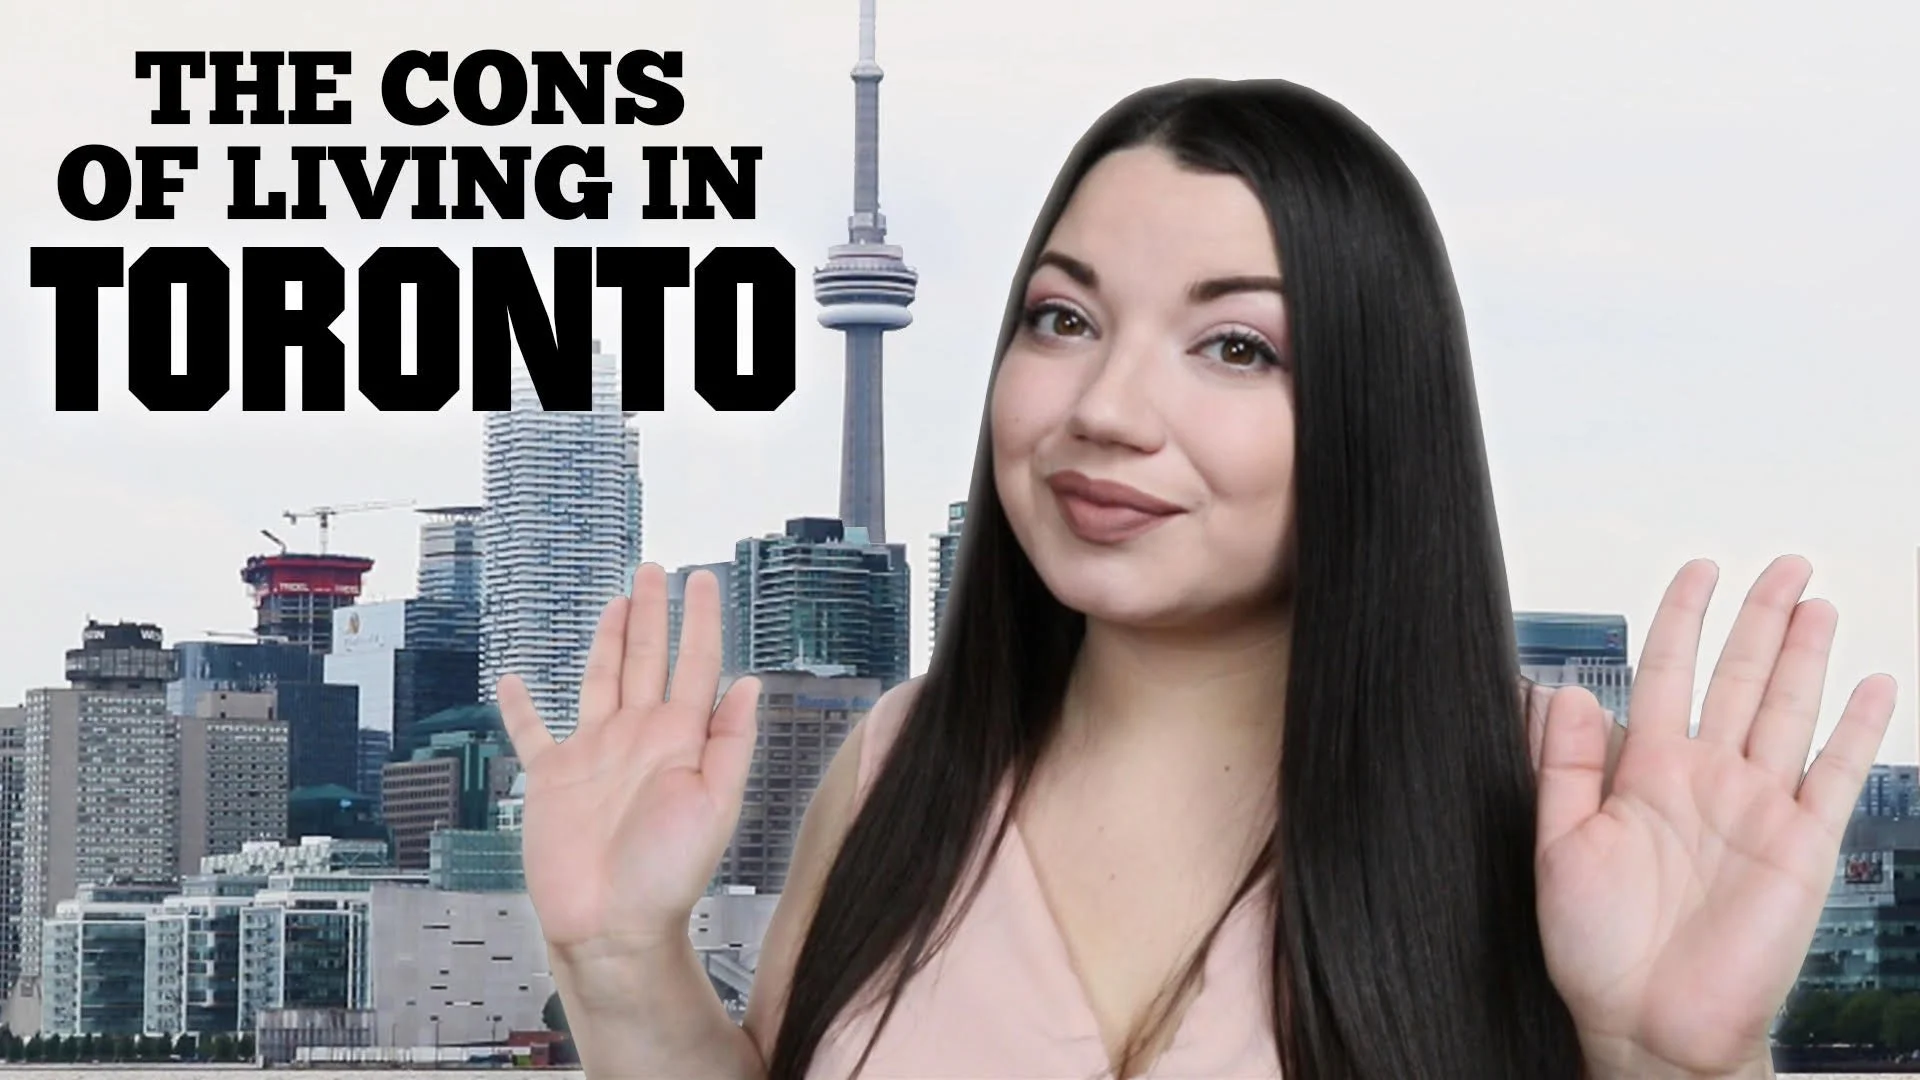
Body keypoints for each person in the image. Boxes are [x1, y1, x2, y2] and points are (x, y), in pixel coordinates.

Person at [497, 78, 1895, 1080]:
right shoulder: (898, 770)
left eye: (1235, 347)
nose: (1103, 405)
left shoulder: (1569, 821)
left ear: (1374, 410)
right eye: (1062, 317)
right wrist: (624, 965)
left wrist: (1669, 1066)